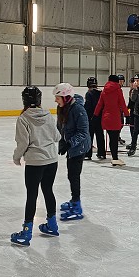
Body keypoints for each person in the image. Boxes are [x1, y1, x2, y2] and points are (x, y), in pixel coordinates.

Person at [10, 86, 62, 246]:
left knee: (32, 195)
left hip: (35, 162)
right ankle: (52, 225)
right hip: (51, 160)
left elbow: (23, 142)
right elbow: (57, 136)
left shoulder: (23, 118)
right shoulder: (47, 115)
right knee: (48, 190)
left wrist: (17, 157)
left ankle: (26, 233)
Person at [53, 83, 91, 220]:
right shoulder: (62, 108)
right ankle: (74, 201)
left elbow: (83, 132)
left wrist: (69, 144)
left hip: (79, 147)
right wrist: (60, 140)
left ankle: (77, 207)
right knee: (71, 175)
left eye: (58, 97)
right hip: (71, 146)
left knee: (74, 176)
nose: (55, 100)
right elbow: (60, 127)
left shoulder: (78, 109)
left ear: (66, 97)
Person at [94, 74, 129, 166]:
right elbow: (122, 103)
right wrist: (127, 115)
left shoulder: (104, 90)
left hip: (106, 117)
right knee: (114, 139)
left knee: (111, 138)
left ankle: (115, 158)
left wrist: (95, 115)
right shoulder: (118, 90)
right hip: (115, 118)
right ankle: (115, 158)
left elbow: (99, 104)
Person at [84, 77, 105, 160]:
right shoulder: (101, 92)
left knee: (89, 135)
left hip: (91, 117)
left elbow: (88, 106)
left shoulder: (89, 93)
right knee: (100, 135)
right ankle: (101, 153)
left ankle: (88, 154)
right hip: (99, 117)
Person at [126, 77, 139, 153]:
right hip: (132, 111)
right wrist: (127, 108)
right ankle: (133, 142)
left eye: (132, 82)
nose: (131, 84)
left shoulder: (137, 90)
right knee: (132, 128)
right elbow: (130, 102)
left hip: (137, 112)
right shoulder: (131, 90)